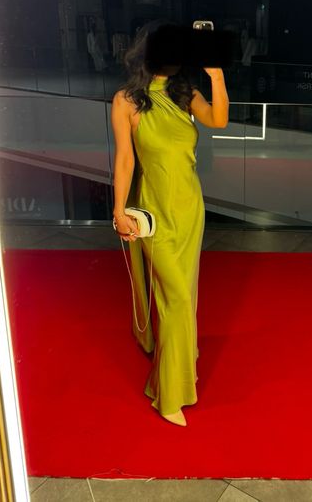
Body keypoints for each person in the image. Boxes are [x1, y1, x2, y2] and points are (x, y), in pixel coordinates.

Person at [111, 22, 229, 427]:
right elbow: (125, 159)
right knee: (176, 297)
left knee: (184, 293)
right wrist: (119, 210)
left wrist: (215, 74)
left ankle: (181, 359)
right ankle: (169, 395)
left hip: (190, 209)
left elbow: (218, 120)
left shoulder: (185, 93)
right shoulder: (126, 101)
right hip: (154, 213)